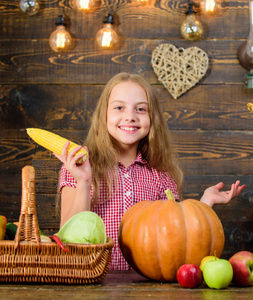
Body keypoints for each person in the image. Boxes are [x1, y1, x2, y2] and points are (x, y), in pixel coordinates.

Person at [54, 72, 246, 270]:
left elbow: (179, 236)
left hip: (145, 285)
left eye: (141, 109)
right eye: (119, 107)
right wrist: (84, 182)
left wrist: (205, 203)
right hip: (91, 281)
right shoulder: (80, 163)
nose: (130, 116)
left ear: (152, 118)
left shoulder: (161, 175)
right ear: (104, 114)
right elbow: (66, 237)